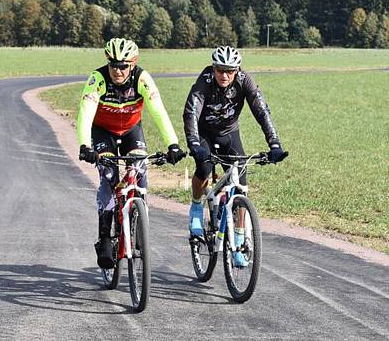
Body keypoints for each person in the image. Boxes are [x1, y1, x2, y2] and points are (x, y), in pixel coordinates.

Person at [77, 37, 185, 269]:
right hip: (103, 130)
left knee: (140, 169)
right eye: (113, 65)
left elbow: (159, 112)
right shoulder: (97, 79)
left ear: (133, 64)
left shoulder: (142, 79)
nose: (118, 70)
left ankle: (139, 223)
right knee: (108, 177)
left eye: (123, 66)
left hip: (130, 130)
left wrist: (172, 144)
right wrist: (85, 145)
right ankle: (105, 236)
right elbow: (85, 113)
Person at [183, 46, 287, 267]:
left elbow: (262, 111)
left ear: (237, 69)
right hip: (204, 133)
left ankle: (238, 242)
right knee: (205, 168)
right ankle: (195, 207)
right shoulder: (205, 80)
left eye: (229, 71)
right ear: (214, 68)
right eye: (220, 70)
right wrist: (193, 142)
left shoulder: (244, 81)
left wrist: (274, 143)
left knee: (240, 187)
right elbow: (191, 111)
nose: (224, 75)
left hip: (230, 133)